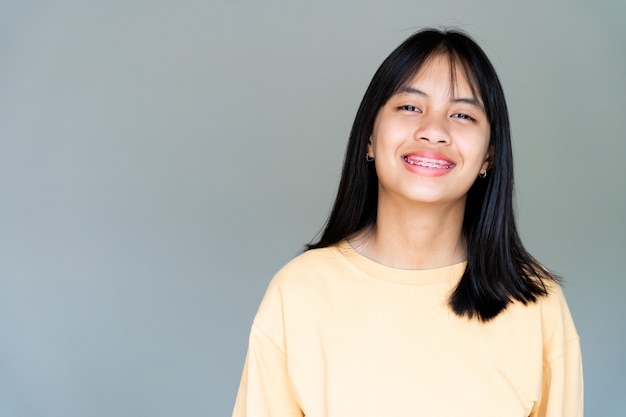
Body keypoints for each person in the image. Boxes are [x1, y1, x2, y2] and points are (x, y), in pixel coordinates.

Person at [232, 28, 583, 417]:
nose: (433, 130)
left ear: (489, 156)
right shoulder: (297, 294)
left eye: (463, 115)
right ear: (369, 136)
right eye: (410, 107)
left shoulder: (536, 305)